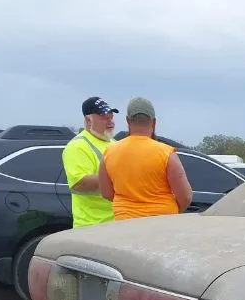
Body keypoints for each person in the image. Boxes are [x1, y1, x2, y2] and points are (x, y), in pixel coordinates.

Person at [99, 97, 192, 220]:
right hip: (161, 223)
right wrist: (171, 212)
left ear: (128, 121)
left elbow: (106, 193)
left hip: (124, 222)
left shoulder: (109, 153)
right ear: (153, 122)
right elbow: (185, 197)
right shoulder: (167, 153)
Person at [61, 96, 118, 227]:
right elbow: (79, 183)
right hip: (92, 227)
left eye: (111, 116)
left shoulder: (115, 144)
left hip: (117, 223)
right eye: (104, 117)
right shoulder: (78, 146)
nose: (110, 121)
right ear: (88, 120)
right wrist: (119, 177)